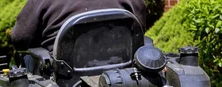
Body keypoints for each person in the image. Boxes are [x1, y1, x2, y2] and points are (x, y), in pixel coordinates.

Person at [11, 0, 147, 53]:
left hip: (65, 81)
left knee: (27, 57)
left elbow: (19, 38)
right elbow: (139, 30)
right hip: (122, 73)